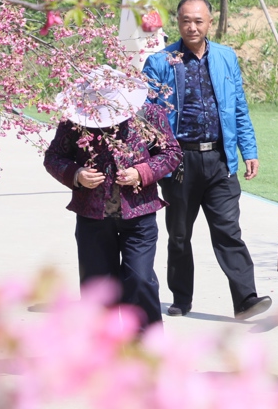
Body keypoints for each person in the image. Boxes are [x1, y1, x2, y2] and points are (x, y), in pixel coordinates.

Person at [142, 0, 272, 320]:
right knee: (179, 234)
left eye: (198, 21)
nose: (192, 27)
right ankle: (181, 297)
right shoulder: (160, 62)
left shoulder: (226, 57)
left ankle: (246, 299)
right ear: (178, 22)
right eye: (186, 20)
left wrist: (249, 150)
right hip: (179, 162)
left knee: (228, 230)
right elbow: (147, 115)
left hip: (219, 159)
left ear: (210, 23)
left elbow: (239, 107)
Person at [43, 66, 182, 331]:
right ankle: (103, 349)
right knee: (98, 288)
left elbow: (172, 152)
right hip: (92, 216)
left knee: (140, 280)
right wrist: (77, 174)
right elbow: (53, 157)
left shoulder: (149, 114)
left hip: (139, 213)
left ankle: (146, 346)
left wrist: (141, 172)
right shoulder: (75, 120)